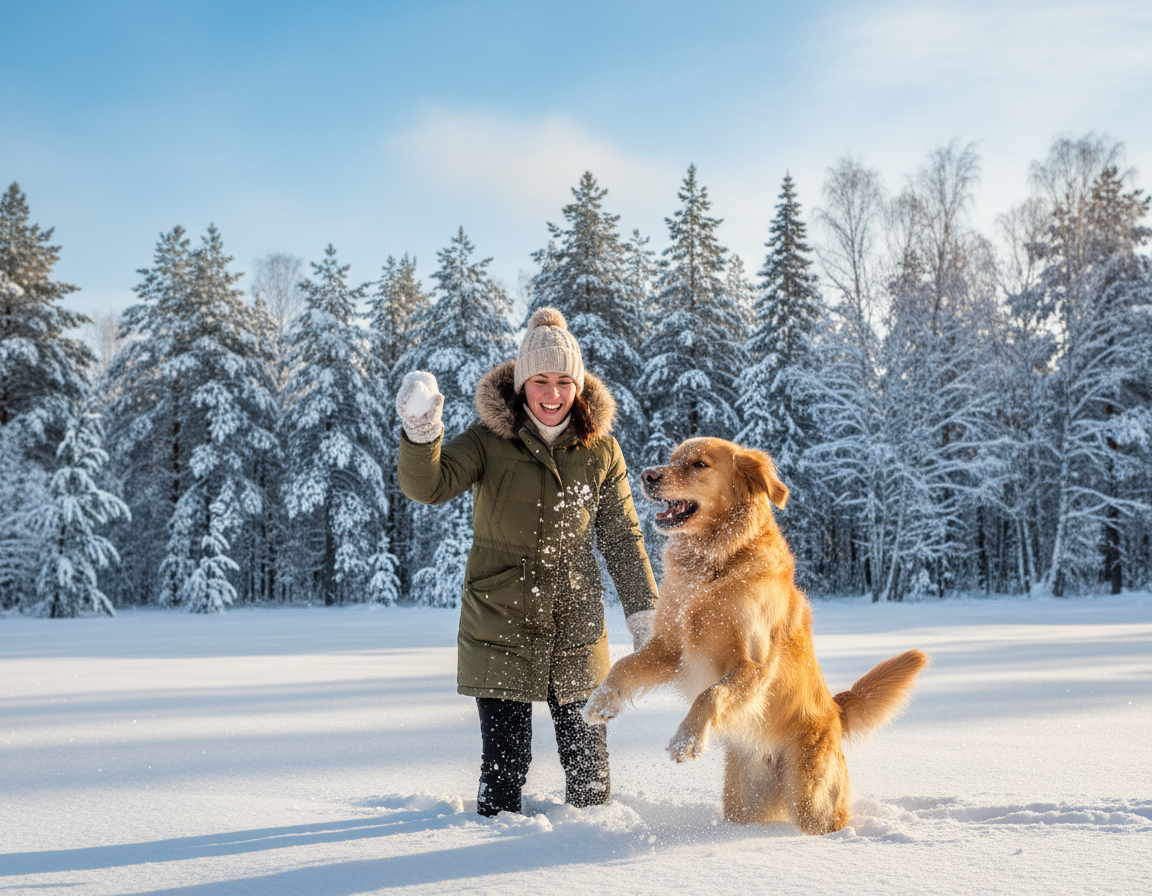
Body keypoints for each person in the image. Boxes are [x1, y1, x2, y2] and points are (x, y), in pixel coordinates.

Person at [396, 307, 658, 816]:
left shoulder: (601, 449)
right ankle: (493, 869)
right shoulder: (488, 440)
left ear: (578, 386)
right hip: (500, 621)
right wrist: (421, 430)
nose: (553, 393)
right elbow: (428, 486)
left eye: (564, 381)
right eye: (541, 379)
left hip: (576, 622)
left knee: (588, 768)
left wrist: (644, 611)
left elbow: (623, 537)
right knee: (505, 764)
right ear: (522, 383)